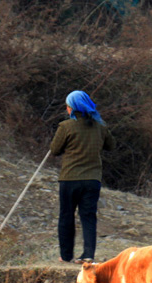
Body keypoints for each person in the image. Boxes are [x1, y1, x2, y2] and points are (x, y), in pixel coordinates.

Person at [49, 90, 116, 264]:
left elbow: (55, 150)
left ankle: (66, 255)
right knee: (88, 217)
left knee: (66, 216)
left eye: (68, 105)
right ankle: (88, 255)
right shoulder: (100, 127)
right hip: (92, 180)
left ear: (71, 108)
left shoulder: (65, 127)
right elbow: (111, 145)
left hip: (70, 178)